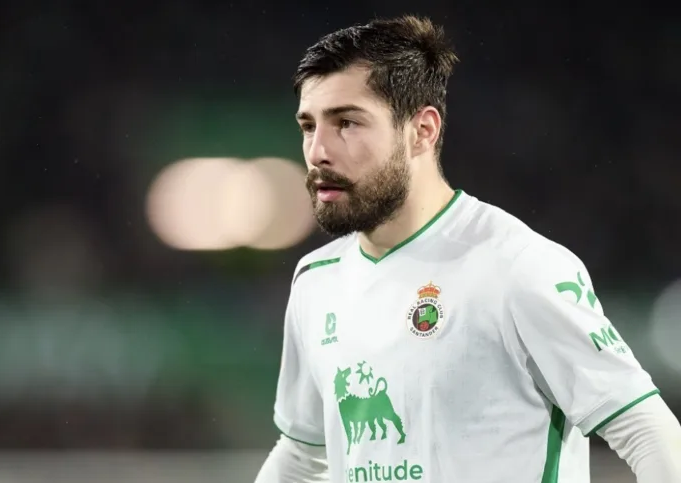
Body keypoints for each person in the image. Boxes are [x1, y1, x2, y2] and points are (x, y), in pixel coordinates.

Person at [253, 14, 681, 483]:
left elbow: (648, 433)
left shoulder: (516, 266)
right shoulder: (317, 281)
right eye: (308, 126)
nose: (318, 151)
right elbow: (301, 456)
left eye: (347, 123)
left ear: (422, 130)